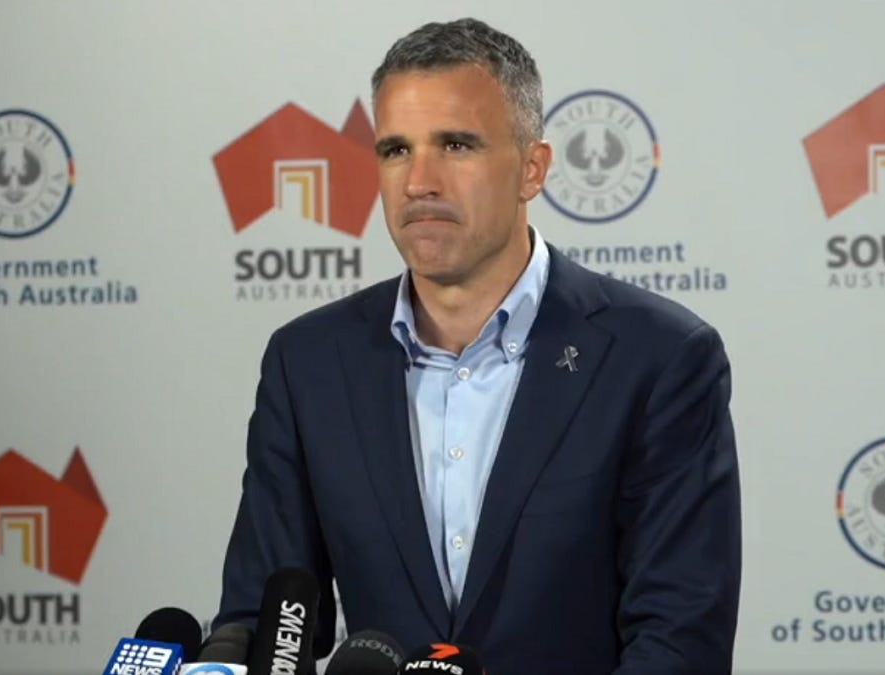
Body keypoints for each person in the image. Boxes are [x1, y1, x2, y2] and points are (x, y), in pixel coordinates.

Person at [215, 18, 741, 674]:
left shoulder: (660, 358)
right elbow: (264, 621)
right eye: (396, 150)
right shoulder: (308, 363)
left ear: (532, 169)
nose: (419, 181)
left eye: (456, 145)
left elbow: (681, 639)